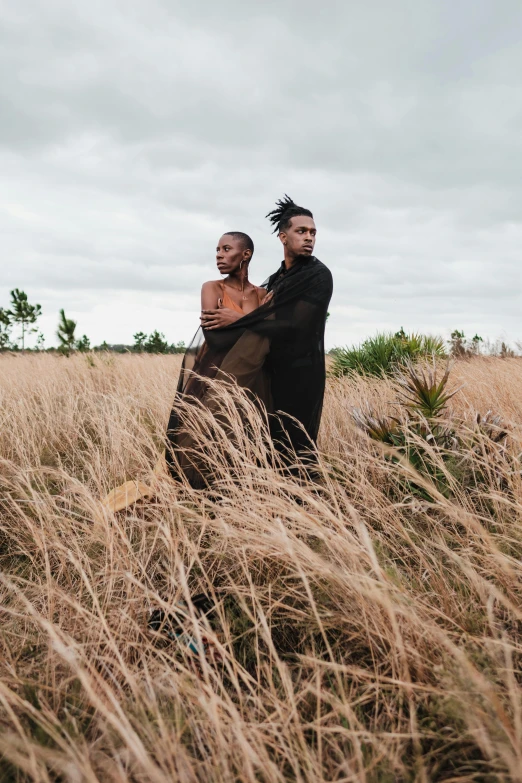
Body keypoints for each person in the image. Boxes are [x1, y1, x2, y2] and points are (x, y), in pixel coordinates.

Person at [167, 195, 333, 485]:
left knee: (296, 444)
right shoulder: (278, 278)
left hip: (301, 373)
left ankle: (304, 505)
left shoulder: (318, 276)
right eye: (301, 231)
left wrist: (237, 320)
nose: (309, 237)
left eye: (313, 232)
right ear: (283, 237)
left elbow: (297, 325)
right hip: (272, 373)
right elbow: (257, 323)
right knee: (267, 439)